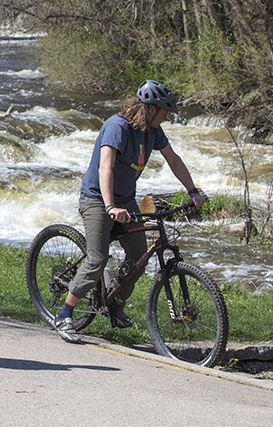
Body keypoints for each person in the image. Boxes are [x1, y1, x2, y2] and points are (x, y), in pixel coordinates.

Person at [52, 80, 207, 343]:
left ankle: (115, 302)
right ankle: (65, 313)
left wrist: (192, 190)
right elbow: (105, 167)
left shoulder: (152, 131)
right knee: (97, 259)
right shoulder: (117, 127)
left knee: (139, 256)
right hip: (97, 200)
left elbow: (174, 160)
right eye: (164, 112)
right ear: (149, 109)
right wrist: (111, 206)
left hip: (125, 200)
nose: (166, 117)